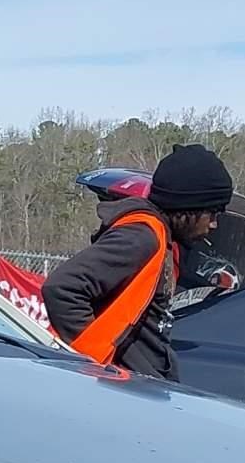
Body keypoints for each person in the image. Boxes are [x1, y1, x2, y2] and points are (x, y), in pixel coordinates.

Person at [42, 144, 233, 380]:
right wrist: (95, 362)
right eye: (212, 212)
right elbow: (62, 288)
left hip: (144, 387)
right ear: (187, 207)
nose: (213, 224)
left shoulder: (164, 240)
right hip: (123, 391)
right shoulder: (142, 237)